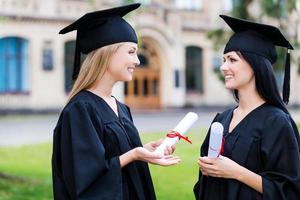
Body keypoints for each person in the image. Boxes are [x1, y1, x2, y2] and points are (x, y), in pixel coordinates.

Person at [51, 3, 180, 200]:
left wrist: (143, 150)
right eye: (130, 52)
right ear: (107, 54)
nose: (137, 61)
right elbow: (83, 178)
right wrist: (133, 155)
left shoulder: (119, 107)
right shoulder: (80, 109)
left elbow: (111, 156)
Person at [194, 15, 300, 200]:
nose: (223, 67)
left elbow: (289, 191)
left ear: (255, 65)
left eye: (232, 60)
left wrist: (235, 171)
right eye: (224, 59)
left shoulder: (276, 122)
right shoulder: (222, 119)